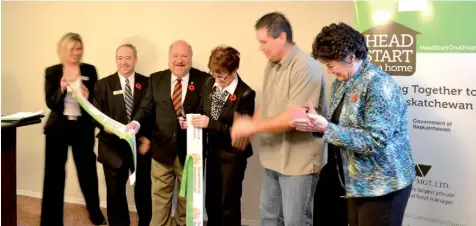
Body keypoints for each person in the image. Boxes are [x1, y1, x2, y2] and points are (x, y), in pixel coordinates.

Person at [292, 22, 416, 226]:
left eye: (330, 65)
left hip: (383, 185)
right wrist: (316, 125)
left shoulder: (378, 84)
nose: (329, 71)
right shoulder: (342, 82)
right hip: (355, 181)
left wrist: (326, 128)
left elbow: (374, 141)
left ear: (351, 57)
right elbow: (339, 126)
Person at [230, 12, 328, 226]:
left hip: (298, 163)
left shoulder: (306, 67)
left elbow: (294, 118)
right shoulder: (271, 65)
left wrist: (252, 127)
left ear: (282, 38)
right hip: (274, 158)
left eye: (264, 42)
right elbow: (268, 104)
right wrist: (249, 127)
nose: (260, 47)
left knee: (296, 221)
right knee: (269, 219)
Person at [125, 40, 209, 226]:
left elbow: (208, 111)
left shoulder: (204, 80)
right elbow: (146, 106)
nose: (179, 60)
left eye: (184, 56)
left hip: (190, 154)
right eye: (175, 56)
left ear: (191, 58)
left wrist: (195, 120)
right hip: (161, 152)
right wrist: (136, 123)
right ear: (169, 58)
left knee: (187, 203)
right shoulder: (156, 79)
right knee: (159, 200)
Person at [41, 32, 106, 225]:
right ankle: (51, 220)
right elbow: (50, 103)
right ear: (63, 50)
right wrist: (60, 89)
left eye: (79, 49)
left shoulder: (90, 70)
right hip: (57, 130)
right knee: (54, 176)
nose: (76, 53)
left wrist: (88, 97)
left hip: (82, 129)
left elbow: (97, 101)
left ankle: (96, 215)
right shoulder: (53, 72)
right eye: (72, 49)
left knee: (88, 174)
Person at [187, 45, 255, 226]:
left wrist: (211, 124)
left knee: (228, 203)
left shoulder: (246, 93)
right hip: (212, 152)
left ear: (235, 70)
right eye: (214, 74)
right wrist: (191, 121)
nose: (217, 80)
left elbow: (241, 132)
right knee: (212, 200)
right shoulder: (210, 83)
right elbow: (202, 110)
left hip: (233, 155)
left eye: (222, 76)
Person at [92, 44, 152, 226]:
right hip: (112, 147)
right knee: (115, 194)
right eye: (120, 58)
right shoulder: (102, 84)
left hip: (140, 146)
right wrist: (104, 127)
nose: (123, 62)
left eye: (128, 58)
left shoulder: (149, 83)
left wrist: (148, 138)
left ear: (135, 60)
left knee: (143, 191)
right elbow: (95, 115)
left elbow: (153, 113)